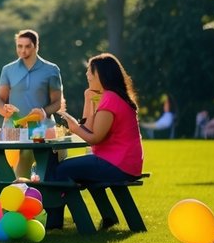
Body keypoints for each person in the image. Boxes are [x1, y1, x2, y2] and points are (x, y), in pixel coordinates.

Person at [49, 53, 144, 231]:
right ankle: (108, 218)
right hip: (123, 163)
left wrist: (74, 127)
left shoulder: (110, 99)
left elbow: (94, 137)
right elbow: (89, 126)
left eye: (90, 72)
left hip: (117, 164)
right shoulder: (111, 96)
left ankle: (57, 223)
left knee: (60, 169)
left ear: (102, 75)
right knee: (77, 171)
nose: (87, 75)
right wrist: (88, 98)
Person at [0, 29, 63, 179]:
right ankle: (16, 192)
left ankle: (23, 191)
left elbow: (57, 102)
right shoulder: (8, 70)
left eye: (27, 46)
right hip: (13, 127)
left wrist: (43, 112)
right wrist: (3, 110)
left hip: (41, 127)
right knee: (5, 165)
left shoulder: (51, 70)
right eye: (19, 46)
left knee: (29, 157)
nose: (22, 50)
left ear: (36, 46)